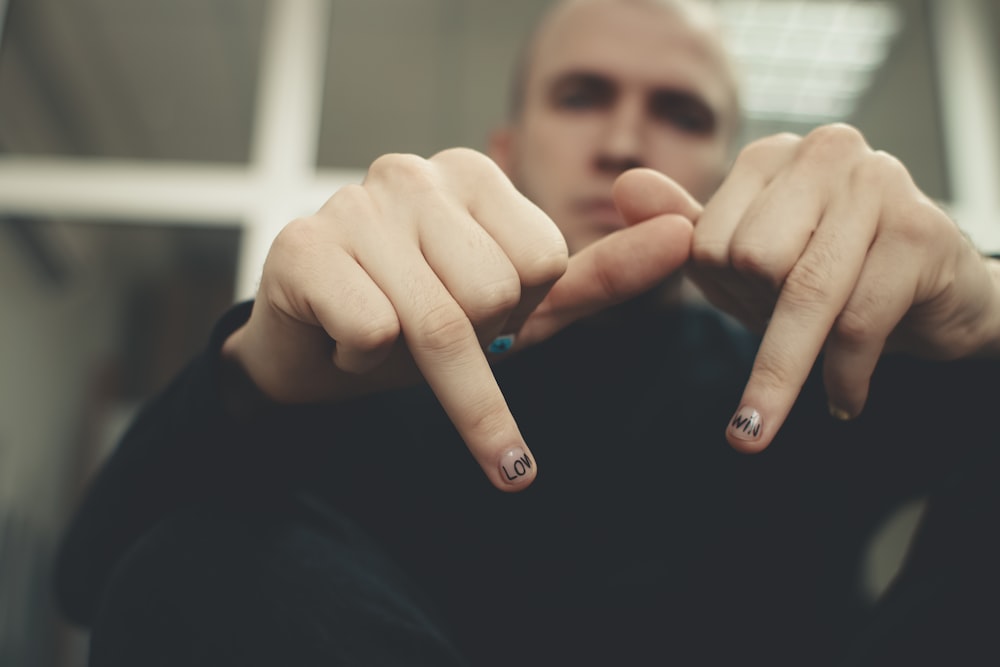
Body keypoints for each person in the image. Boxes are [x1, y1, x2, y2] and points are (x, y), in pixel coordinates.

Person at [54, 0, 1000, 665]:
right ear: (507, 146)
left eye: (681, 110)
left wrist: (983, 305)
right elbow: (97, 585)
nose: (626, 140)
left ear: (725, 159)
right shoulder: (374, 373)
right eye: (582, 94)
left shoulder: (827, 364)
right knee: (210, 559)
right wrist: (253, 375)